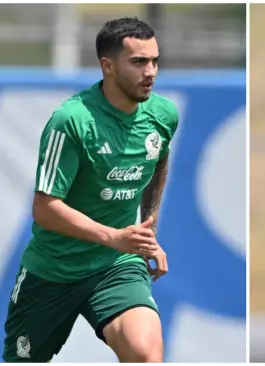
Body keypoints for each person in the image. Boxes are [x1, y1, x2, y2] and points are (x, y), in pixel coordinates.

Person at [2, 17, 178, 362]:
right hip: (53, 271)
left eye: (155, 60)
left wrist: (148, 229)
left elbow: (158, 160)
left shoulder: (163, 115)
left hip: (116, 266)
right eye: (139, 62)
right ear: (107, 66)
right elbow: (45, 207)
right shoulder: (72, 121)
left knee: (146, 355)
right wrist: (114, 235)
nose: (151, 71)